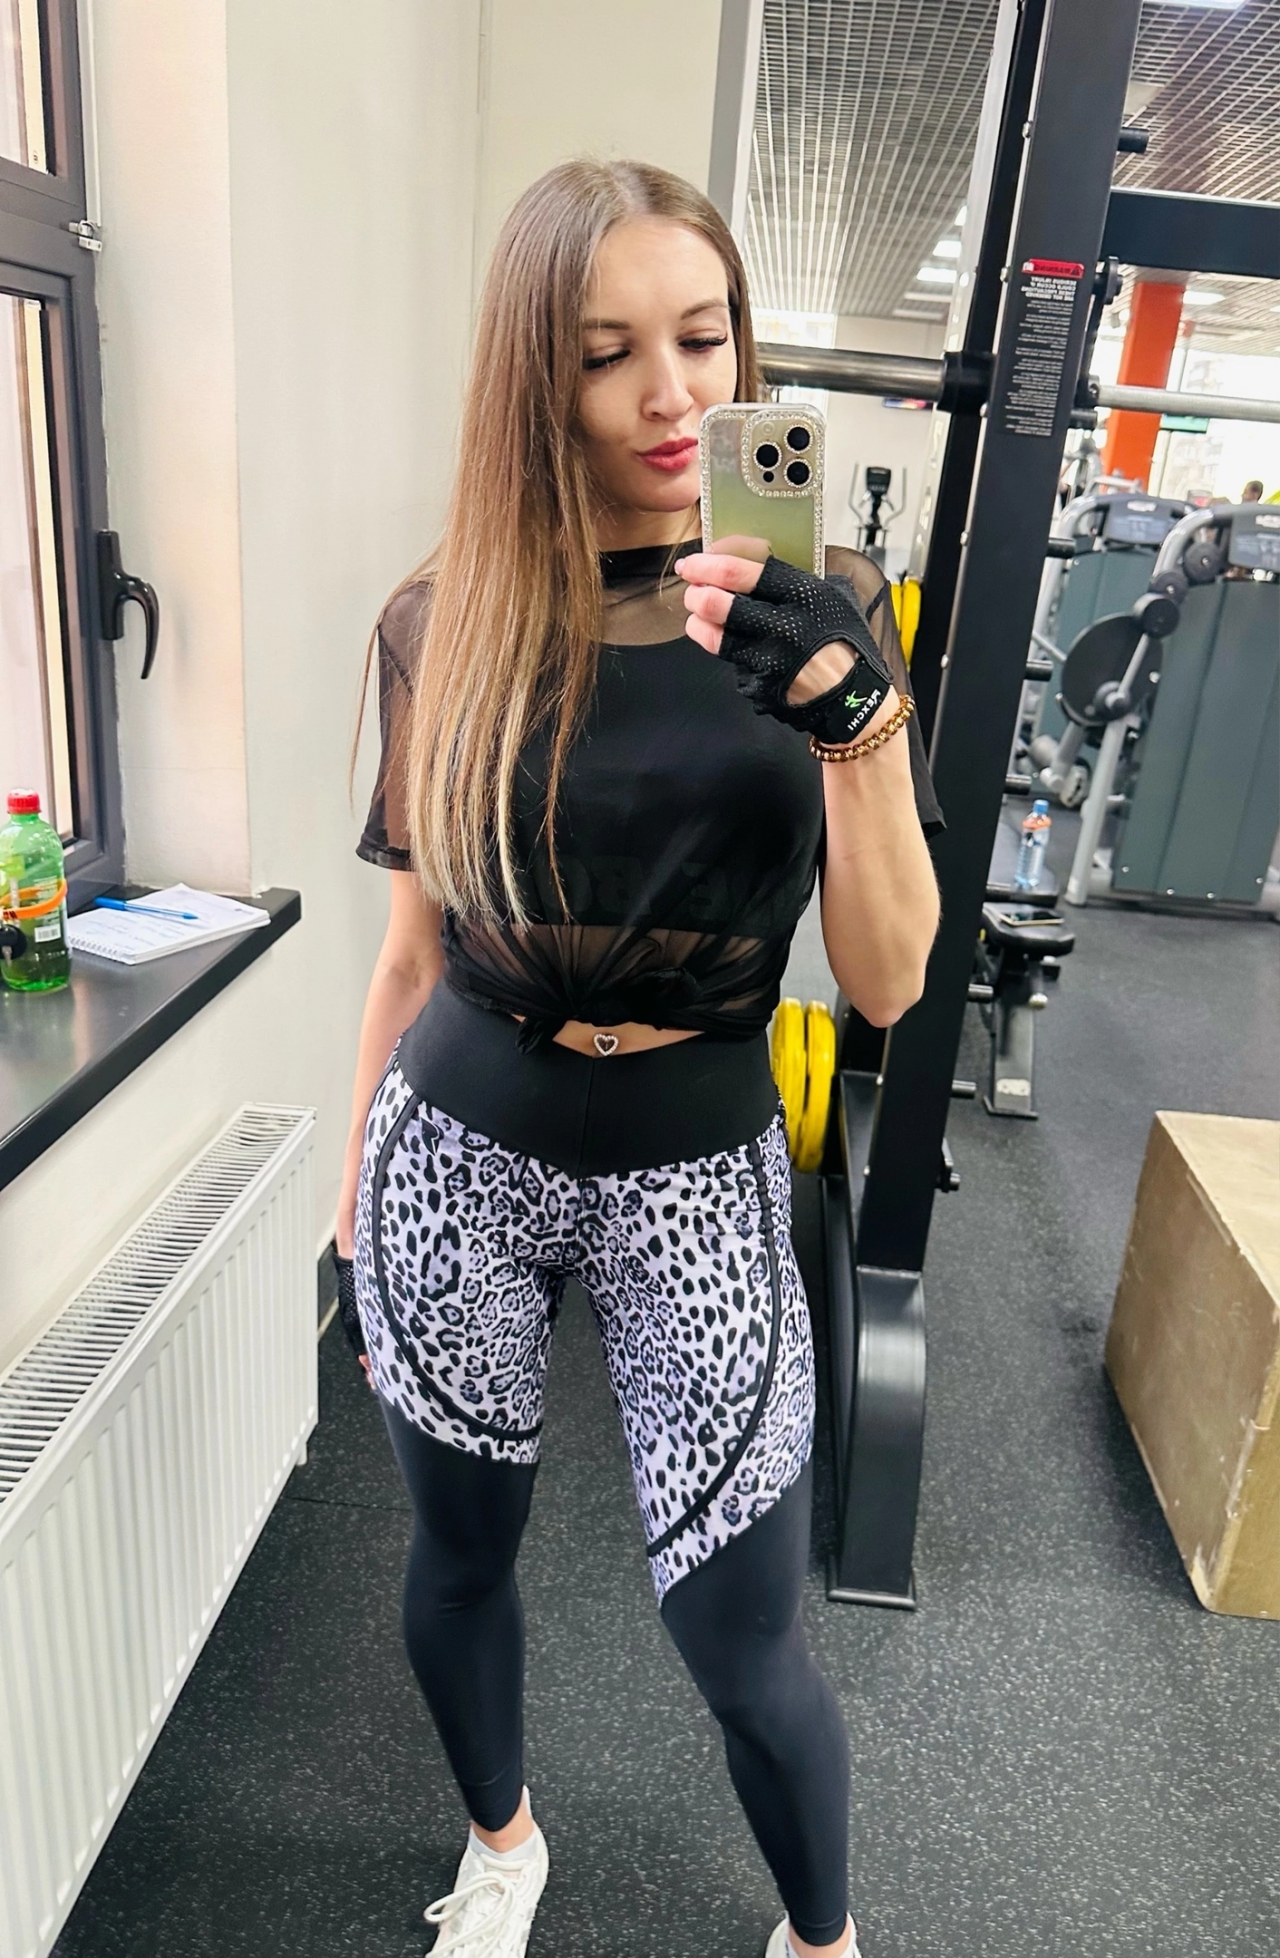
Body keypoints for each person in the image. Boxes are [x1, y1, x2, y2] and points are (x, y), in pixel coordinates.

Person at [334, 157, 942, 1958]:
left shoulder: (824, 604)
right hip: (459, 1142)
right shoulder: (447, 616)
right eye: (609, 355)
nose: (673, 395)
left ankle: (822, 1938)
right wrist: (352, 1189)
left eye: (704, 336)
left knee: (741, 1633)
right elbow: (410, 954)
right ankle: (503, 1845)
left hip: (697, 1159)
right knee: (455, 1555)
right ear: (540, 377)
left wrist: (860, 723)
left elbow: (890, 979)